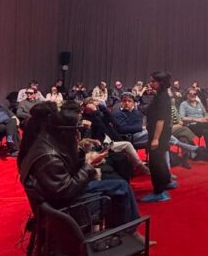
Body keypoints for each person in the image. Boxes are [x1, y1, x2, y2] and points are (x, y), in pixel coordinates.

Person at [18, 101, 151, 244]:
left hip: (57, 199)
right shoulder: (48, 155)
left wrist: (85, 157)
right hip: (64, 207)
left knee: (119, 182)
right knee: (120, 187)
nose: (77, 134)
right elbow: (65, 190)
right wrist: (88, 166)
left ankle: (124, 232)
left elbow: (67, 169)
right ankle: (125, 233)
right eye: (75, 130)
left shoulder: (42, 142)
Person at [141, 71, 175, 202]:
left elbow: (160, 120)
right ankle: (166, 182)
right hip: (163, 133)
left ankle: (159, 192)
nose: (150, 83)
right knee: (160, 159)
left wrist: (155, 139)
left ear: (160, 82)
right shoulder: (162, 95)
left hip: (158, 134)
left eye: (153, 81)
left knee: (155, 163)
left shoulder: (162, 97)